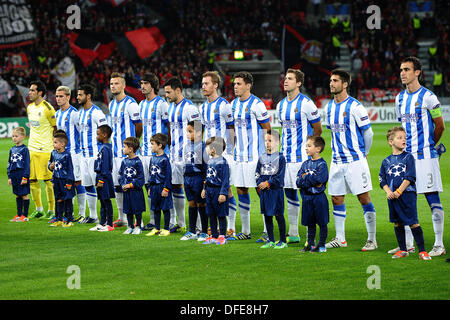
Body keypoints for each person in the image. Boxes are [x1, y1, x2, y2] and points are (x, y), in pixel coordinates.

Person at [395, 56, 446, 257]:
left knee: (431, 197)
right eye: (401, 69)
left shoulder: (429, 97)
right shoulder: (399, 98)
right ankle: (407, 245)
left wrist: (429, 145)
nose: (402, 73)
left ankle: (439, 244)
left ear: (417, 72)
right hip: (406, 159)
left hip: (425, 157)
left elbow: (440, 125)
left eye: (407, 69)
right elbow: (401, 127)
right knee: (405, 199)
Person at [325, 69, 377, 251]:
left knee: (363, 198)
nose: (331, 83)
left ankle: (372, 239)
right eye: (331, 80)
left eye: (335, 81)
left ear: (345, 84)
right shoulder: (329, 107)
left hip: (355, 160)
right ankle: (340, 238)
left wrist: (365, 152)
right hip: (337, 160)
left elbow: (368, 133)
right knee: (336, 198)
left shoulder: (355, 107)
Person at [276, 68, 322, 245]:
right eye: (285, 78)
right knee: (289, 193)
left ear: (299, 83)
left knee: (308, 194)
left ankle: (313, 233)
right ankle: (294, 232)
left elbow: (318, 129)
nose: (285, 81)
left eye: (290, 79)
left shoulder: (306, 103)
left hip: (302, 157)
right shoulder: (280, 105)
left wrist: (311, 150)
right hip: (286, 157)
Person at [229, 71, 271, 241]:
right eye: (234, 83)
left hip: (256, 157)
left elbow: (267, 129)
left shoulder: (257, 104)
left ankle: (268, 231)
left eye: (239, 84)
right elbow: (232, 129)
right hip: (239, 156)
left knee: (262, 192)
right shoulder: (233, 105)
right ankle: (246, 231)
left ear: (248, 85)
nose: (235, 87)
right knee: (241, 189)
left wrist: (268, 154)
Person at [379, 127, 432, 260]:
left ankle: (422, 251)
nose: (403, 140)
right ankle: (403, 249)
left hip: (407, 195)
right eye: (399, 137)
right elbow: (382, 180)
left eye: (405, 137)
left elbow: (410, 177)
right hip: (392, 197)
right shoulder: (386, 161)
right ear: (391, 142)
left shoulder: (408, 157)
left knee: (413, 222)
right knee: (397, 223)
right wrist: (389, 192)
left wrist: (398, 191)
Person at [199, 71, 237, 238]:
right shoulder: (202, 107)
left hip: (224, 153)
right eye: (202, 83)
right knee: (211, 187)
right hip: (209, 154)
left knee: (227, 189)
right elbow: (200, 131)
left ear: (215, 85)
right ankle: (216, 228)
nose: (203, 86)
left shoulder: (224, 105)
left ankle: (231, 227)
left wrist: (229, 151)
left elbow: (231, 129)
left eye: (207, 83)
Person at [165, 77, 200, 233]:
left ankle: (199, 226)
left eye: (169, 92)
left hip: (187, 156)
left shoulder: (190, 108)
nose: (166, 95)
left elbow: (198, 131)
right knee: (175, 186)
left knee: (192, 190)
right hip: (174, 155)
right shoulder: (171, 107)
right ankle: (180, 222)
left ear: (178, 90)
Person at [108, 72, 143, 228]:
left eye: (116, 83)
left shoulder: (131, 104)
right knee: (118, 185)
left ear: (123, 85)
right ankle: (122, 217)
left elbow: (139, 126)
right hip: (116, 152)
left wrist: (133, 146)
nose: (113, 86)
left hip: (129, 154)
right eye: (111, 84)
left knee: (132, 186)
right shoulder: (111, 104)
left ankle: (136, 218)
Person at [139, 72, 170, 231]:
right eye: (141, 83)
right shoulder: (141, 104)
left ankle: (169, 221)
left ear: (152, 85)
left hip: (159, 153)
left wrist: (166, 146)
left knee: (165, 185)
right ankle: (153, 219)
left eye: (145, 83)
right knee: (148, 185)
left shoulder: (162, 104)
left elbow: (169, 126)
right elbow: (139, 127)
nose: (142, 86)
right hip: (144, 152)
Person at [54, 85, 86, 222]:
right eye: (56, 96)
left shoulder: (74, 114)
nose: (58, 99)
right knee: (64, 182)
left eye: (61, 96)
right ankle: (68, 213)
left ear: (68, 97)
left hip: (74, 154)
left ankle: (83, 213)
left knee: (78, 182)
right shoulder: (57, 113)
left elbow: (82, 132)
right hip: (62, 155)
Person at [77, 84, 108, 224]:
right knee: (88, 185)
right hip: (84, 155)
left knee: (99, 186)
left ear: (88, 96)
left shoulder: (97, 113)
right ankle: (93, 216)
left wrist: (103, 151)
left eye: (80, 95)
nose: (77, 97)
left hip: (95, 155)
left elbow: (106, 132)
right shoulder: (80, 112)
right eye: (77, 95)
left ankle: (105, 215)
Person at [27, 80, 56, 219]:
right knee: (32, 180)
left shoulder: (48, 108)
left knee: (48, 181)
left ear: (40, 93)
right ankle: (39, 209)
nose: (30, 92)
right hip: (31, 148)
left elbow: (56, 128)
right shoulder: (29, 107)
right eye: (30, 90)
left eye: (33, 90)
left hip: (46, 149)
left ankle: (51, 210)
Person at [296, 136, 329, 253]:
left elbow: (320, 180)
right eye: (306, 146)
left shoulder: (322, 165)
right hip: (307, 197)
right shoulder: (305, 164)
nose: (306, 148)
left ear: (318, 149)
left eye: (309, 146)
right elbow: (298, 181)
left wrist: (306, 177)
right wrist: (310, 180)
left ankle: (321, 245)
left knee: (322, 222)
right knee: (309, 222)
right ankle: (310, 244)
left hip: (319, 198)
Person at [256, 130, 287, 249]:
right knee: (267, 215)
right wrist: (260, 183)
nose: (267, 143)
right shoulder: (262, 157)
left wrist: (268, 183)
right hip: (265, 192)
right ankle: (271, 240)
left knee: (278, 215)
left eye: (270, 141)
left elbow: (280, 176)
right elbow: (257, 173)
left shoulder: (281, 158)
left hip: (276, 191)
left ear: (278, 142)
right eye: (265, 141)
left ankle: (283, 241)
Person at [180, 121, 209, 241]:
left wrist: (204, 184)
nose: (187, 134)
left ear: (198, 133)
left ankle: (204, 231)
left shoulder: (203, 147)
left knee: (201, 203)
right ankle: (192, 231)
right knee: (191, 203)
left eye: (190, 131)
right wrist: (184, 180)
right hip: (188, 179)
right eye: (187, 131)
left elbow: (206, 167)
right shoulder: (186, 146)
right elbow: (184, 164)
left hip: (198, 178)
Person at [201, 136, 230, 245]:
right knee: (211, 213)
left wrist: (223, 193)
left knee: (221, 214)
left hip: (218, 191)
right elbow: (207, 177)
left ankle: (222, 236)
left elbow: (225, 179)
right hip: (210, 191)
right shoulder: (210, 161)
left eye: (207, 147)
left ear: (213, 149)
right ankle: (213, 235)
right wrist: (204, 189)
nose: (206, 149)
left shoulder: (223, 162)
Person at [146, 133, 173, 237]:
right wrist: (149, 187)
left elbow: (168, 175)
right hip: (154, 188)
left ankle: (166, 229)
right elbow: (150, 173)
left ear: (160, 145)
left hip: (162, 187)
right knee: (155, 208)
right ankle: (156, 228)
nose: (151, 146)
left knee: (165, 208)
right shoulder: (152, 159)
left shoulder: (165, 159)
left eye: (153, 144)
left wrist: (166, 188)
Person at [90, 124, 115, 232]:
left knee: (106, 201)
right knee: (102, 201)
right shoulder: (104, 147)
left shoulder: (106, 149)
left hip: (104, 179)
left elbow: (105, 166)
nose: (96, 136)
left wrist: (101, 180)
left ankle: (109, 224)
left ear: (104, 135)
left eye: (98, 134)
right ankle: (102, 223)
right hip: (100, 177)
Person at [118, 137, 146, 235]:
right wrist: (122, 184)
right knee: (128, 209)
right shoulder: (124, 161)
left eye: (124, 147)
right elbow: (120, 175)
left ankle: (138, 226)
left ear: (130, 149)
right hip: (126, 191)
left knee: (137, 209)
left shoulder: (138, 162)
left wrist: (130, 185)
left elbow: (141, 178)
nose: (123, 149)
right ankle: (130, 226)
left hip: (135, 191)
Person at [48, 132, 75, 227]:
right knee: (58, 199)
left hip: (65, 181)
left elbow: (70, 169)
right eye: (53, 142)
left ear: (62, 144)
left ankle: (68, 219)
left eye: (55, 142)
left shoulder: (67, 155)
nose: (53, 144)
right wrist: (50, 167)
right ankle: (59, 218)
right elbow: (50, 164)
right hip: (57, 180)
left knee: (67, 199)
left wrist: (69, 182)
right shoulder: (53, 153)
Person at [8, 127, 30, 222]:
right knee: (17, 194)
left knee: (24, 194)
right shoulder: (12, 149)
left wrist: (25, 177)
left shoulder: (25, 149)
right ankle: (18, 214)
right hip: (14, 175)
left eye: (16, 136)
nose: (14, 138)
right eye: (13, 136)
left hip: (22, 174)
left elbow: (27, 164)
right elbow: (9, 163)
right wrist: (9, 176)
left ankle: (25, 216)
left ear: (22, 137)